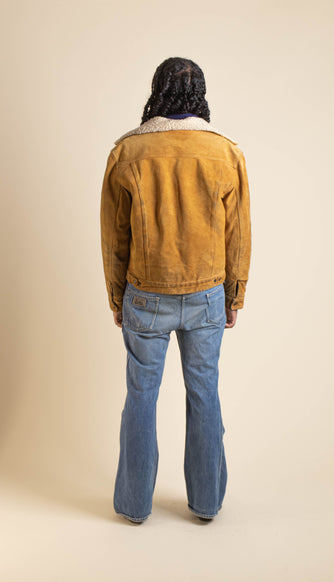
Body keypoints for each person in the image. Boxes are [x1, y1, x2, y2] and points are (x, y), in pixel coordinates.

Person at [100, 57, 252, 524]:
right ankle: (206, 504)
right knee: (204, 393)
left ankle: (134, 506)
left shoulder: (127, 152)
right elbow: (238, 234)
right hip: (207, 294)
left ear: (157, 91)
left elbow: (114, 236)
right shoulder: (225, 152)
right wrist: (234, 294)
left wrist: (117, 297)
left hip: (145, 294)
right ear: (199, 94)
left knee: (140, 397)